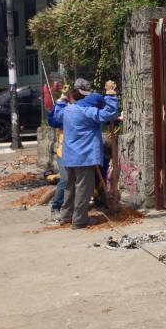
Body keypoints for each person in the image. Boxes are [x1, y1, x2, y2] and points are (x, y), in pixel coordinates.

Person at [53, 79, 118, 229]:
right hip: (84, 156)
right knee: (84, 188)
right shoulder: (87, 112)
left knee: (71, 187)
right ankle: (80, 220)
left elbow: (57, 114)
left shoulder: (67, 110)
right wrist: (111, 95)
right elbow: (109, 113)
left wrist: (62, 97)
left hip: (69, 156)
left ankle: (66, 216)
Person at [47, 84, 70, 221]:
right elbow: (54, 121)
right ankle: (56, 206)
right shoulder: (64, 112)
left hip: (80, 153)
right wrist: (61, 102)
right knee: (66, 179)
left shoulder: (83, 109)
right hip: (64, 152)